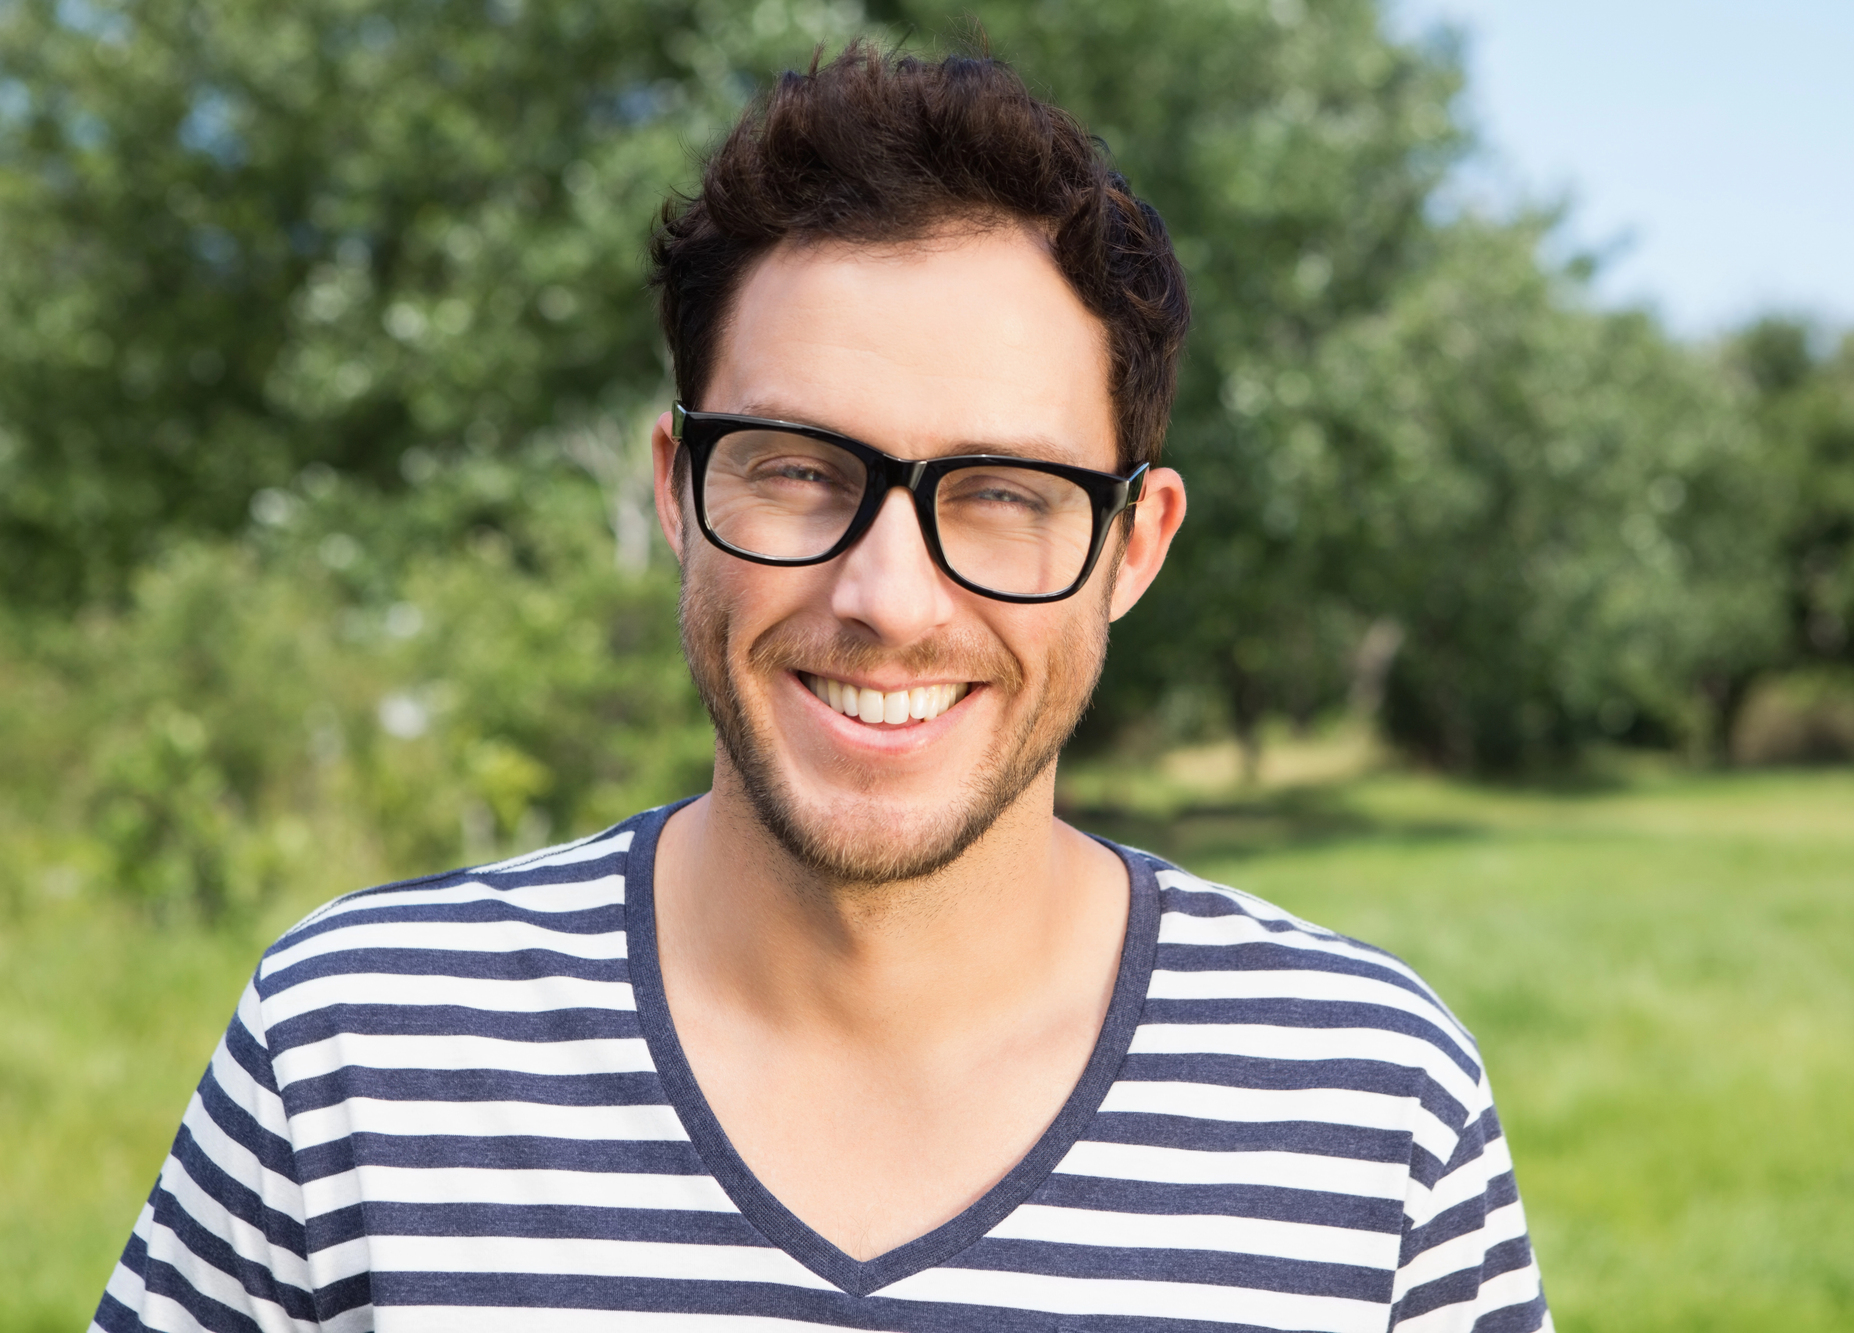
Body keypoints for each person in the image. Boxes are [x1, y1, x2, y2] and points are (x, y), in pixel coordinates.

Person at [96, 44, 1551, 1333]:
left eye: (1001, 492)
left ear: (1134, 544)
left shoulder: (1372, 1107)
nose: (887, 599)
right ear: (678, 489)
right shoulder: (355, 1049)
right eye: (800, 471)